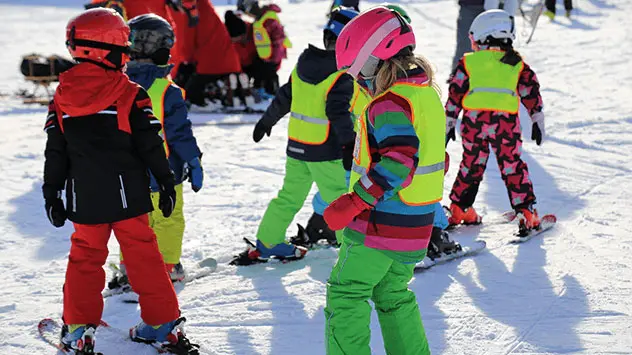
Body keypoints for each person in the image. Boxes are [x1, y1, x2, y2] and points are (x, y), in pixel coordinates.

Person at [43, 8, 196, 354]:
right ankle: (161, 324)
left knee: (85, 259)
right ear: (106, 49)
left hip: (85, 198)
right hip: (130, 196)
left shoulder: (62, 97)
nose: (126, 57)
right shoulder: (129, 92)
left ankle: (79, 327)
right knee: (145, 257)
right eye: (122, 50)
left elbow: (56, 150)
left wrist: (51, 192)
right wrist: (166, 181)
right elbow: (151, 142)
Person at [323, 6, 446, 354]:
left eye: (359, 69)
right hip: (416, 226)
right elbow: (436, 157)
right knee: (392, 295)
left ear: (378, 58)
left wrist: (354, 201)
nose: (358, 79)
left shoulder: (387, 104)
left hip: (379, 225)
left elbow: (400, 160)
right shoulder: (425, 97)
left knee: (346, 293)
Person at [229, 7, 359, 266]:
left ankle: (267, 242)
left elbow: (284, 96)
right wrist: (348, 143)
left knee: (289, 196)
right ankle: (355, 251)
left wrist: (267, 121)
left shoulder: (303, 63)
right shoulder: (342, 75)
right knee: (339, 200)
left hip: (298, 147)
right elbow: (338, 112)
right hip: (325, 151)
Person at [107, 13, 203, 291]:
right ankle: (167, 267)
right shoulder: (167, 90)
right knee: (168, 219)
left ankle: (130, 268)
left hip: (128, 174)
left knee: (134, 223)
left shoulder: (116, 85)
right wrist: (194, 161)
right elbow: (179, 133)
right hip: (165, 173)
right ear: (162, 50)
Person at [445, 9, 545, 235]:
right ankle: (526, 212)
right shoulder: (516, 64)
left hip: (473, 124)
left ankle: (459, 208)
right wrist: (537, 118)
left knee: (471, 165)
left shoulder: (468, 63)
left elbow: (456, 92)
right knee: (512, 165)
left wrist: (449, 121)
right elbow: (530, 90)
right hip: (505, 125)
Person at [169, 0, 245, 107]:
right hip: (230, 58)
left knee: (189, 88)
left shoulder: (189, 13)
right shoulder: (205, 6)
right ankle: (234, 91)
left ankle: (203, 101)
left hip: (208, 62)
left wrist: (186, 60)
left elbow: (187, 42)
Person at [237, 0, 291, 99]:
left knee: (269, 73)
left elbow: (278, 39)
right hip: (264, 55)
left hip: (273, 55)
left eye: (247, 13)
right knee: (259, 69)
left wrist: (273, 57)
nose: (248, 16)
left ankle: (273, 93)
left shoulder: (268, 19)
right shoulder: (260, 19)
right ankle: (260, 89)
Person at [450, 0, 518, 72]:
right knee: (465, 47)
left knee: (500, 52)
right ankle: (458, 79)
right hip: (471, 6)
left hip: (500, 9)